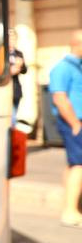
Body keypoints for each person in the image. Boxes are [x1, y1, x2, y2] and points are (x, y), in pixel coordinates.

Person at [48, 30, 82, 227]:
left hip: (75, 123)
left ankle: (70, 205)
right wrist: (75, 124)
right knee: (79, 165)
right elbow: (59, 98)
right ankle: (70, 211)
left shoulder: (77, 67)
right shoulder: (62, 68)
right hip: (73, 123)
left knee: (73, 165)